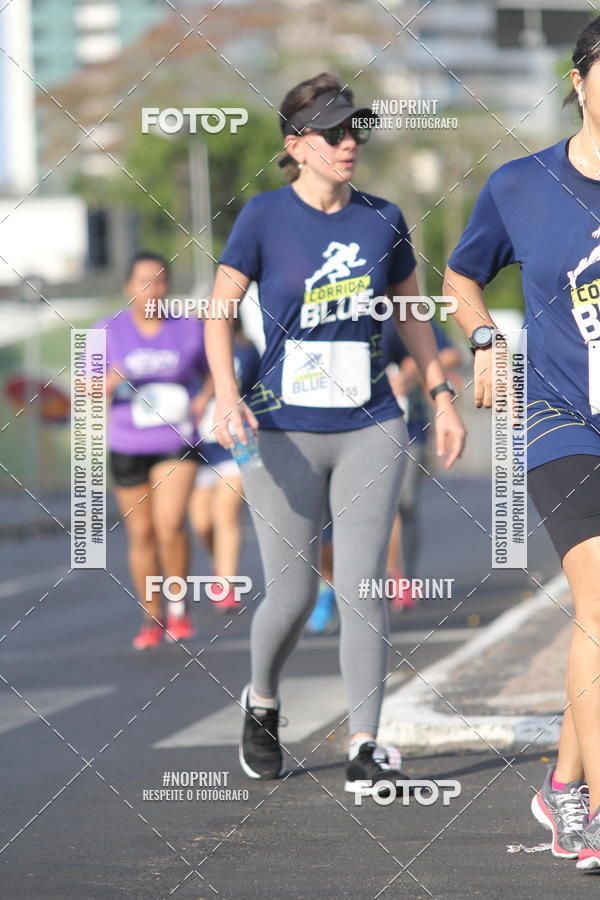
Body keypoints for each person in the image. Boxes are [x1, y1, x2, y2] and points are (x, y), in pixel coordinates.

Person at [204, 72, 466, 795]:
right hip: (282, 427)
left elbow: (412, 316)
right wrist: (228, 397)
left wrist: (441, 398)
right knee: (287, 597)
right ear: (298, 146)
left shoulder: (383, 217)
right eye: (334, 132)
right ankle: (261, 701)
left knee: (362, 586)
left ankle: (365, 741)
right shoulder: (261, 217)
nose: (350, 142)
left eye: (356, 130)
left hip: (372, 423)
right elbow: (218, 312)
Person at [443, 16, 600, 871]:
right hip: (561, 418)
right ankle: (597, 815)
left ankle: (563, 786)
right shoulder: (520, 186)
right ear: (578, 82)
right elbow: (461, 275)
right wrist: (483, 339)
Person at [96, 252, 211, 650]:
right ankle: (152, 615)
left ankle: (178, 607)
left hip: (175, 441)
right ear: (129, 286)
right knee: (142, 533)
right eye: (144, 281)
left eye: (160, 281)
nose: (153, 290)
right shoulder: (108, 331)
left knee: (169, 524)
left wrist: (204, 399)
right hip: (127, 442)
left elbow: (213, 372)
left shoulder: (188, 328)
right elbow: (83, 389)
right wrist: (106, 384)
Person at [381, 319, 463, 611]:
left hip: (410, 428)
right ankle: (378, 576)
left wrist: (413, 370)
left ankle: (403, 577)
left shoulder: (405, 314)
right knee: (380, 508)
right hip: (362, 429)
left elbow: (452, 353)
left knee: (405, 504)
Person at [189, 323, 261, 613]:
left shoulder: (246, 351)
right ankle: (219, 563)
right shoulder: (194, 351)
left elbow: (258, 389)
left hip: (237, 442)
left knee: (225, 510)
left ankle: (228, 584)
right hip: (200, 445)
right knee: (202, 522)